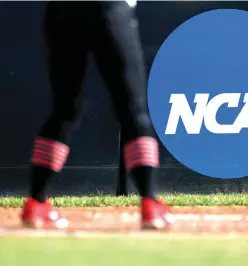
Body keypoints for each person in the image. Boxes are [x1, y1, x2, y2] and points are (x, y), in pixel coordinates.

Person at [20, 1, 174, 230]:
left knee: (64, 111)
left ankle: (36, 202)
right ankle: (150, 204)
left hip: (62, 12)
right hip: (107, 8)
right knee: (133, 110)